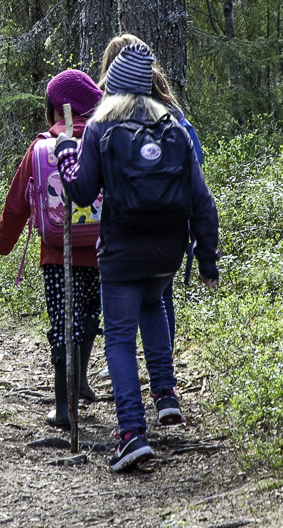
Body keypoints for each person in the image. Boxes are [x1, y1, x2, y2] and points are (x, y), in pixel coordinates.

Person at [54, 40, 220, 472]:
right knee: (152, 307)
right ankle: (164, 394)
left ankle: (131, 432)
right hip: (166, 255)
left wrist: (67, 153)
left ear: (113, 86)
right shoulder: (174, 127)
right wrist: (206, 260)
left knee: (121, 341)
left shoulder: (99, 128)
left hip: (122, 255)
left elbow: (82, 192)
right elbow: (203, 202)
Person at [0, 69, 104, 428]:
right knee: (88, 315)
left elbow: (16, 205)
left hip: (58, 255)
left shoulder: (42, 146)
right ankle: (82, 381)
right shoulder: (106, 140)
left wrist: (3, 244)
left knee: (62, 323)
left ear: (55, 109)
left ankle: (63, 405)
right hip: (104, 251)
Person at [97, 34, 204, 349]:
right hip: (170, 222)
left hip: (125, 223)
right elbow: (195, 160)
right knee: (160, 295)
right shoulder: (172, 113)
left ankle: (124, 360)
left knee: (125, 300)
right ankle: (164, 364)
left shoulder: (107, 112)